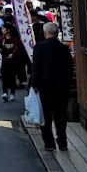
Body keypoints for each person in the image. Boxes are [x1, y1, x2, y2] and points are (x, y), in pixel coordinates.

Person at [30, 21, 74, 152]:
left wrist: (33, 85)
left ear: (45, 33)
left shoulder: (39, 48)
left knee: (46, 116)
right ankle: (62, 142)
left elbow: (36, 68)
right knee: (60, 115)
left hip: (44, 88)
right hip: (61, 88)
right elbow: (69, 69)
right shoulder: (64, 48)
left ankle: (49, 143)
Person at [0, 24, 26, 102]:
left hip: (13, 62)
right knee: (4, 77)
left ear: (8, 30)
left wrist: (12, 54)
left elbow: (16, 48)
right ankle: (4, 93)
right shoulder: (1, 39)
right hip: (4, 61)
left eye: (3, 28)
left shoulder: (15, 39)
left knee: (12, 77)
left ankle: (12, 93)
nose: (2, 30)